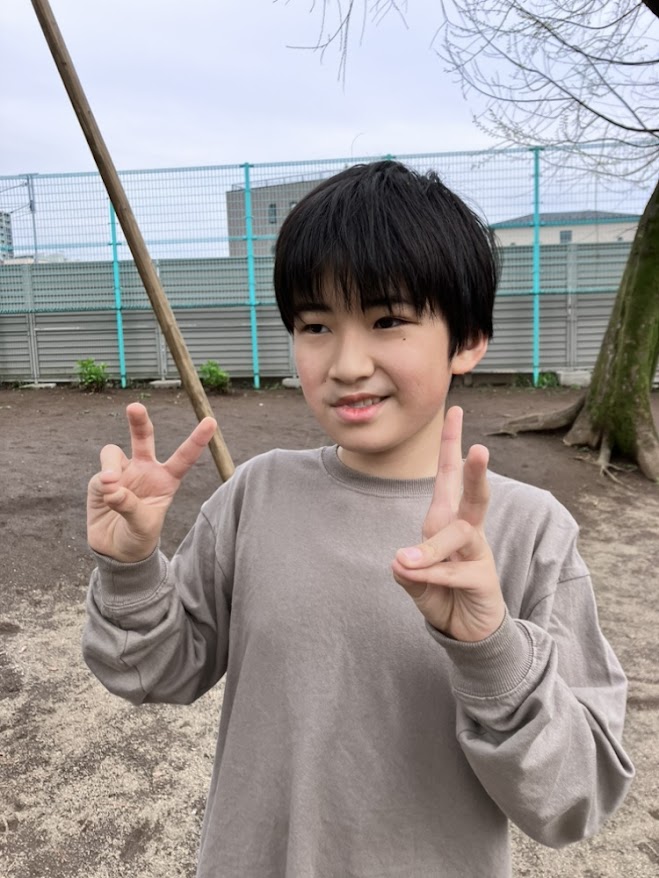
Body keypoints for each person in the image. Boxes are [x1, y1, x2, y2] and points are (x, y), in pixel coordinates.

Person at [83, 160, 634, 877]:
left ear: (468, 338)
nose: (345, 363)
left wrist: (491, 647)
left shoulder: (529, 531)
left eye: (387, 320)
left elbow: (575, 799)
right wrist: (131, 569)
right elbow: (155, 673)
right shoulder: (257, 493)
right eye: (316, 325)